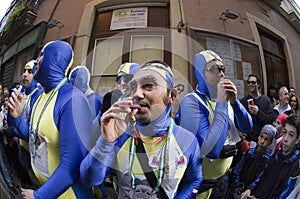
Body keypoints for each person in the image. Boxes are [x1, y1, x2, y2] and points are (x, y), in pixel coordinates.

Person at [80, 61, 202, 198]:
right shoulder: (121, 135)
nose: (136, 94)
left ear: (171, 96)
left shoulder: (187, 140)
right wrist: (105, 141)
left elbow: (194, 180)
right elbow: (89, 180)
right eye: (133, 87)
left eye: (148, 86)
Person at [8, 40, 93, 198]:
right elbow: (32, 137)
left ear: (55, 58)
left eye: (41, 55)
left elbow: (72, 166)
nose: (36, 61)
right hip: (46, 188)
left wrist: (39, 195)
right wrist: (17, 117)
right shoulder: (41, 96)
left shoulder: (73, 100)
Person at [175, 50, 252, 198]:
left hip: (223, 180)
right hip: (201, 186)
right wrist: (223, 103)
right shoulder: (191, 102)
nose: (221, 74)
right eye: (213, 69)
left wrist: (235, 103)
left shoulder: (222, 100)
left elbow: (247, 127)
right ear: (199, 74)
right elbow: (211, 150)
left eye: (222, 69)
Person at [241, 114, 300, 199]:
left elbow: (286, 194)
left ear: (297, 139)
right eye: (284, 132)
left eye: (291, 135)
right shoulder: (277, 155)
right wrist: (250, 189)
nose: (285, 139)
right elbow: (263, 175)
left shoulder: (295, 167)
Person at [7, 60, 43, 189]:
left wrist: (14, 132)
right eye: (24, 71)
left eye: (30, 71)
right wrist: (10, 111)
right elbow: (12, 123)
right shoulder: (23, 94)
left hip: (34, 154)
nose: (25, 75)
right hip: (22, 148)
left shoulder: (38, 96)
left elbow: (32, 132)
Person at [229, 124, 276, 199]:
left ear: (270, 143)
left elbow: (260, 178)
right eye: (261, 137)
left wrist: (250, 188)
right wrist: (236, 185)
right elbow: (238, 169)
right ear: (258, 136)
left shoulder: (267, 161)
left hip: (250, 193)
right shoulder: (249, 152)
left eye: (266, 139)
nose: (262, 141)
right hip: (237, 188)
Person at [241, 74, 276, 142]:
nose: (250, 84)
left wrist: (258, 113)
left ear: (258, 84)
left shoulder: (266, 100)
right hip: (247, 139)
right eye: (248, 82)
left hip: (262, 139)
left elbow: (270, 119)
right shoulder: (243, 101)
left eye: (253, 82)